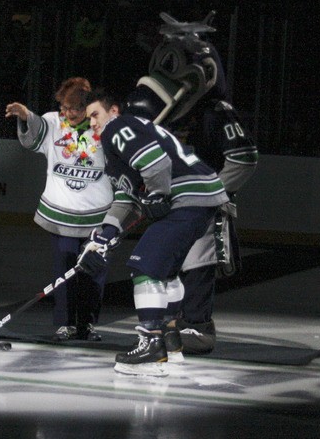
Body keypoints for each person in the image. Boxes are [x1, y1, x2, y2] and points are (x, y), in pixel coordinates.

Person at [81, 77, 229, 376]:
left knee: (145, 266)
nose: (92, 123)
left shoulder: (117, 127)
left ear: (113, 110)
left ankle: (151, 346)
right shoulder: (121, 143)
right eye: (88, 119)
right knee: (166, 274)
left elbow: (155, 163)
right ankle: (171, 344)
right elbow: (127, 197)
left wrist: (159, 194)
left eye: (95, 114)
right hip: (200, 196)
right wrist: (104, 235)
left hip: (187, 197)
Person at [149, 15, 259, 355]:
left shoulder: (217, 113)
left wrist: (211, 194)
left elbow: (244, 158)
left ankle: (198, 326)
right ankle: (171, 323)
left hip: (201, 208)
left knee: (197, 264)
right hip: (174, 205)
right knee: (168, 265)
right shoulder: (169, 113)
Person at [5, 77, 114, 341]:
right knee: (64, 268)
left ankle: (87, 324)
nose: (66, 113)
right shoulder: (54, 122)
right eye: (63, 107)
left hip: (97, 215)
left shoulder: (103, 127)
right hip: (62, 213)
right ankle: (65, 323)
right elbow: (35, 132)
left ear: (87, 106)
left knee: (93, 268)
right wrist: (25, 115)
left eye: (73, 108)